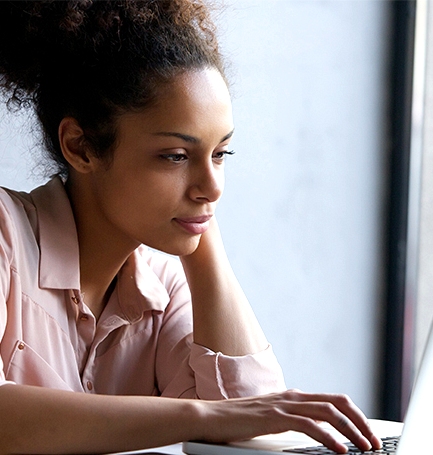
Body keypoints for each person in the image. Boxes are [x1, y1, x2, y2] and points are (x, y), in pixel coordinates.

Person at [0, 1, 382, 454]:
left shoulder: (165, 286)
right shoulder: (7, 236)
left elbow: (256, 431)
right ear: (80, 147)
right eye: (176, 157)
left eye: (221, 154)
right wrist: (198, 416)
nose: (213, 186)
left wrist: (202, 241)